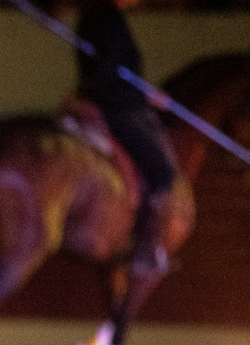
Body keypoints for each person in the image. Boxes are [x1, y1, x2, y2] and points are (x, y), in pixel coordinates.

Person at [75, 0, 175, 275]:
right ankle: (145, 245)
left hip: (109, 101)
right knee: (162, 172)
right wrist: (145, 97)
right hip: (115, 107)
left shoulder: (94, 15)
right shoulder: (107, 19)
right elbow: (109, 74)